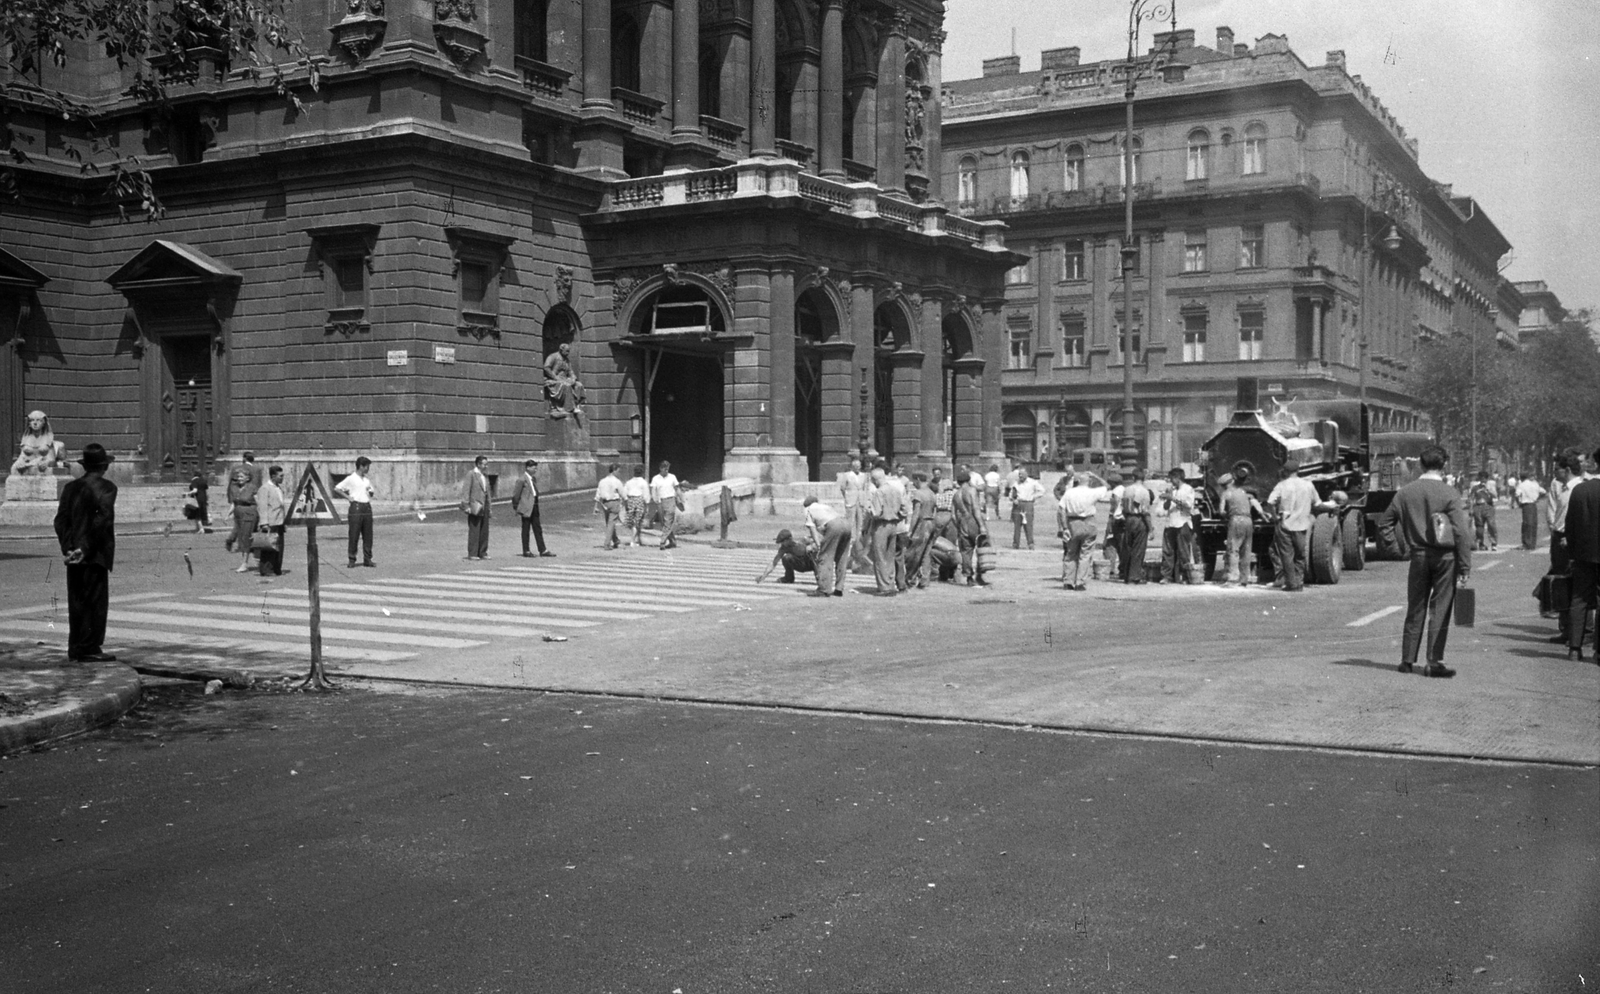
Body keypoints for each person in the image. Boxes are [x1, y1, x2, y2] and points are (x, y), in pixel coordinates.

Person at [1378, 445, 1472, 677]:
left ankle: (1407, 660)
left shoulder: (1405, 493)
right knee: (1439, 609)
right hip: (1446, 558)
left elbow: (1384, 524)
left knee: (1416, 606)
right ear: (1444, 465)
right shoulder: (1450, 493)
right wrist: (1464, 565)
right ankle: (1433, 661)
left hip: (1417, 555)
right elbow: (1460, 532)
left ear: (1420, 464)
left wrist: (1397, 550)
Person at [53, 443, 118, 663]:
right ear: (104, 467)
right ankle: (90, 647)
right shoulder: (107, 488)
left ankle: (76, 647)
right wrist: (85, 548)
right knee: (96, 603)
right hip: (95, 553)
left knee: (77, 600)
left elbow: (61, 520)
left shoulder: (70, 488)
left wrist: (69, 548)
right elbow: (103, 520)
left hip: (74, 555)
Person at [1562, 447, 1600, 663]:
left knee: (1579, 599)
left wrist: (1573, 552)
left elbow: (1570, 526)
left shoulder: (1581, 490)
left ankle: (1574, 648)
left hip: (1584, 554)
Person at [1266, 471, 1329, 591]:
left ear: (1286, 472)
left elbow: (1270, 502)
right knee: (1300, 555)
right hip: (1302, 524)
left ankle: (1291, 584)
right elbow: (1317, 503)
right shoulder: (1308, 485)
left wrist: (1274, 517)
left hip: (1285, 524)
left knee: (1287, 555)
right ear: (1297, 471)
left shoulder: (1282, 485)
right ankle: (1299, 583)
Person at [1058, 473, 1106, 591]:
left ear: (1077, 481)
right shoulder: (1092, 492)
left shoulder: (1069, 492)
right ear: (1089, 481)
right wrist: (1096, 477)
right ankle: (1080, 582)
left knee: (1071, 552)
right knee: (1085, 554)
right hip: (1089, 522)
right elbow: (1106, 486)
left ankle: (1068, 581)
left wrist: (1064, 527)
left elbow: (1061, 510)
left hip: (1073, 523)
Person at [1218, 468, 1265, 586]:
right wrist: (1263, 515)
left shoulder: (1226, 493)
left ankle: (1233, 578)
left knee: (1233, 549)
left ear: (1224, 485)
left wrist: (1225, 516)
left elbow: (1221, 511)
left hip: (1236, 520)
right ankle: (1244, 579)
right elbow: (1255, 504)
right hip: (1249, 521)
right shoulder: (1244, 492)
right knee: (1246, 550)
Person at [867, 464, 907, 594]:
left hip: (881, 525)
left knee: (880, 557)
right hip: (894, 524)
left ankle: (884, 586)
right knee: (890, 556)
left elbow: (876, 513)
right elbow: (904, 509)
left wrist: (868, 511)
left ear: (875, 479)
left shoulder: (879, 492)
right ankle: (890, 583)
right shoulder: (895, 490)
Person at [802, 496, 851, 597]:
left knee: (825, 557)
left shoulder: (808, 510)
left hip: (833, 526)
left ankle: (824, 589)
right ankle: (839, 588)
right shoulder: (824, 506)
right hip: (846, 524)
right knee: (842, 558)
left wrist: (818, 545)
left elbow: (813, 531)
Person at [334, 456, 377, 568]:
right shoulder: (351, 478)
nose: (368, 469)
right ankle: (352, 558)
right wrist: (348, 497)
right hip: (356, 506)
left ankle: (368, 559)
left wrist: (371, 492)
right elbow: (337, 488)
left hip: (366, 507)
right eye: (367, 466)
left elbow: (371, 492)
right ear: (361, 466)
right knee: (354, 534)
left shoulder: (366, 480)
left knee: (368, 534)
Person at [224, 451, 264, 570]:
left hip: (249, 513)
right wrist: (228, 514)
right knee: (244, 537)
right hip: (239, 514)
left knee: (246, 537)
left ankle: (246, 562)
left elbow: (258, 501)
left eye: (241, 477)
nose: (238, 479)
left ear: (247, 478)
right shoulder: (238, 487)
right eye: (238, 477)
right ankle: (255, 560)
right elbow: (234, 502)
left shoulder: (251, 487)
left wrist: (263, 517)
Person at [952, 469, 990, 585]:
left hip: (962, 521)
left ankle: (969, 577)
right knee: (982, 548)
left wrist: (958, 526)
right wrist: (982, 526)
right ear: (968, 480)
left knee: (966, 551)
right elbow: (976, 509)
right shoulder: (972, 490)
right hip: (973, 520)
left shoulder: (956, 494)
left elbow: (953, 515)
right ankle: (980, 575)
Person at [1160, 467, 1197, 584]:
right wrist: (1167, 499)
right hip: (1170, 523)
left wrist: (1173, 499)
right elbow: (1166, 507)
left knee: (1183, 551)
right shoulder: (1172, 490)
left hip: (1182, 522)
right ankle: (1167, 576)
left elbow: (1188, 505)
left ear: (1177, 478)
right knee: (1168, 551)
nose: (1171, 481)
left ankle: (1185, 576)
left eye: (1172, 479)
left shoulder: (1188, 489)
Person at [511, 459, 554, 558]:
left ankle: (542, 549)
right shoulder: (521, 479)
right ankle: (526, 550)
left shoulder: (533, 479)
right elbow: (515, 495)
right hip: (526, 507)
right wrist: (517, 507)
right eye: (534, 468)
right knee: (526, 529)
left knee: (537, 528)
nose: (535, 470)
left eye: (536, 468)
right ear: (528, 468)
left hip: (535, 505)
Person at [1118, 468, 1152, 584]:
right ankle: (1134, 576)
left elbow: (1122, 506)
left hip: (1128, 519)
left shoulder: (1126, 490)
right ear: (1143, 479)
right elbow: (1145, 511)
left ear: (1133, 477)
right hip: (1139, 519)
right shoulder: (1144, 491)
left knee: (1128, 547)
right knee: (1138, 549)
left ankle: (1126, 575)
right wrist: (1150, 528)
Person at [838, 457, 870, 573]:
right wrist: (847, 496)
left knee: (860, 520)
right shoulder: (847, 475)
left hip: (860, 499)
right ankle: (851, 538)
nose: (857, 467)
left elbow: (866, 487)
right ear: (852, 466)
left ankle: (859, 537)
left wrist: (865, 499)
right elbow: (842, 488)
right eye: (855, 466)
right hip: (850, 498)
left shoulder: (864, 476)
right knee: (850, 520)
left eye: (859, 465)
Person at [253, 465, 287, 576]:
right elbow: (262, 507)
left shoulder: (278, 488)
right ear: (273, 476)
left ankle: (277, 568)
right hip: (270, 522)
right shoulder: (265, 488)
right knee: (268, 547)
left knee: (279, 547)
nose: (282, 478)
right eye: (280, 476)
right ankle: (266, 569)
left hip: (279, 521)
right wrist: (264, 523)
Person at [542, 341, 586, 420]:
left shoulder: (567, 361)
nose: (568, 353)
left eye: (569, 351)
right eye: (567, 351)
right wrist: (555, 377)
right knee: (566, 386)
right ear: (561, 350)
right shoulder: (553, 356)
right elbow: (546, 368)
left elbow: (570, 372)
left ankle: (577, 405)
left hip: (564, 379)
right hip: (553, 379)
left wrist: (573, 378)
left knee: (578, 385)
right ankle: (569, 408)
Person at [460, 455, 492, 560]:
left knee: (484, 530)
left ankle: (482, 552)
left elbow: (488, 493)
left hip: (484, 506)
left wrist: (489, 507)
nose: (486, 466)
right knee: (474, 530)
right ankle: (473, 553)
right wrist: (466, 505)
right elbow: (466, 490)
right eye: (484, 464)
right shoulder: (471, 474)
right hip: (475, 505)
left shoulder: (485, 476)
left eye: (487, 464)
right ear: (478, 464)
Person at [1010, 466, 1046, 550]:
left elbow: (1042, 491)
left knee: (1028, 525)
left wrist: (1033, 497)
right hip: (1018, 504)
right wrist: (1013, 499)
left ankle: (1030, 543)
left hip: (1028, 504)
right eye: (1019, 474)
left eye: (1022, 474)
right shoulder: (1016, 483)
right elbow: (1012, 493)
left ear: (1026, 474)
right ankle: (1016, 543)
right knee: (1017, 525)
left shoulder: (1032, 482)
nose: (1020, 476)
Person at [650, 461, 683, 550]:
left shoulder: (672, 477)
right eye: (664, 468)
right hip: (661, 502)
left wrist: (681, 499)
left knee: (668, 520)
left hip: (671, 500)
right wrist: (654, 499)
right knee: (664, 522)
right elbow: (653, 490)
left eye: (667, 468)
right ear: (660, 469)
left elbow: (677, 488)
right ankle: (672, 541)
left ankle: (662, 541)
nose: (666, 470)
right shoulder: (655, 478)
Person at [593, 463, 624, 549]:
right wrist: (626, 502)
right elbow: (623, 493)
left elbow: (598, 494)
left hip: (604, 503)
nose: (619, 473)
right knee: (611, 523)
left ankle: (616, 540)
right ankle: (607, 544)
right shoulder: (617, 481)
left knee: (609, 522)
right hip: (614, 502)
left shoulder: (602, 481)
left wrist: (596, 506)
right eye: (618, 471)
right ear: (614, 471)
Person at [1468, 471, 1498, 552]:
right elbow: (1471, 499)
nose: (1483, 480)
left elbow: (1495, 495)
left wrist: (1488, 490)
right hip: (1478, 506)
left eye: (1484, 479)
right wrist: (1471, 509)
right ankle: (1481, 543)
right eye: (1481, 479)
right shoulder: (1475, 488)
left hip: (1488, 506)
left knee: (1491, 525)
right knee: (1479, 526)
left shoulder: (1490, 487)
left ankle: (1494, 543)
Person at [1514, 472, 1545, 550]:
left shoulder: (1521, 485)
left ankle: (1526, 543)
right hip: (1533, 505)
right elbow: (1543, 492)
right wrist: (1537, 499)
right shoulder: (1535, 484)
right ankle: (1532, 544)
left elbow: (1517, 495)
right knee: (1533, 524)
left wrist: (1518, 503)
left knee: (1526, 524)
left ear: (1521, 478)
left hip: (1526, 505)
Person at [621, 464, 650, 546]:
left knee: (633, 521)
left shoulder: (629, 482)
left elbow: (624, 493)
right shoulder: (643, 482)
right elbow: (646, 495)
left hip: (630, 501)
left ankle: (638, 539)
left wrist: (626, 503)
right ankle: (633, 540)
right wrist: (647, 505)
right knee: (637, 521)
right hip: (639, 501)